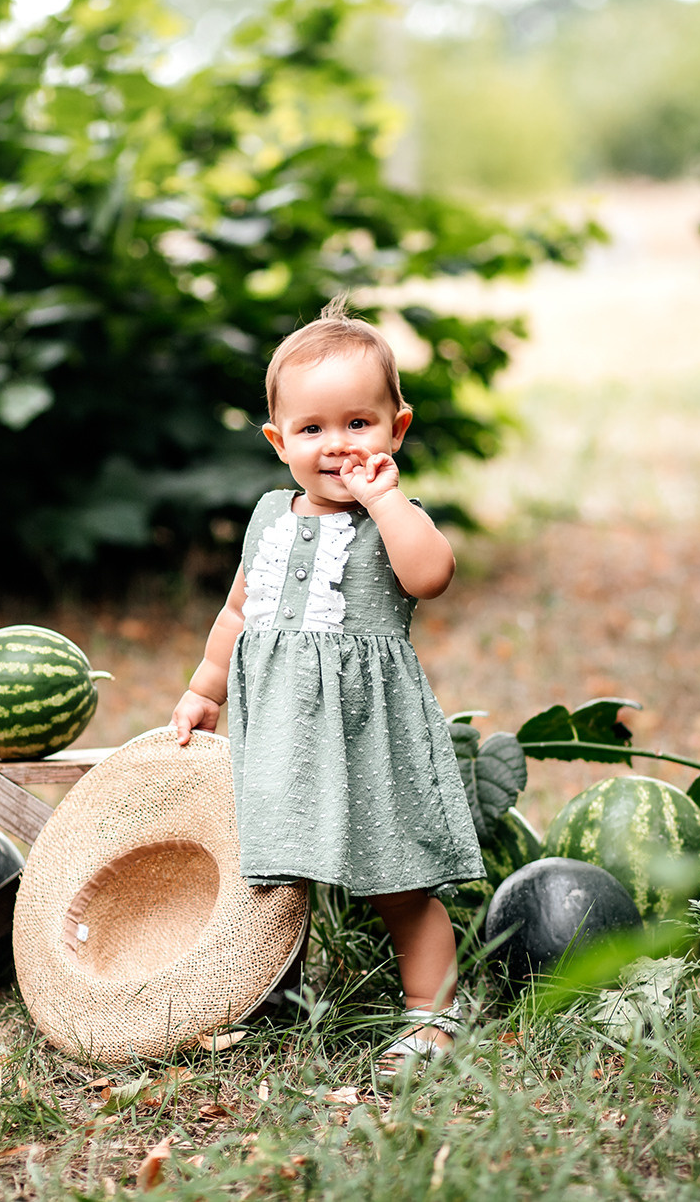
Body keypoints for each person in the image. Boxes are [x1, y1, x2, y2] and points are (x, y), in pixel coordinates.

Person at [171, 293, 483, 1073]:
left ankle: (431, 1012)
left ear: (395, 428)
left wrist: (387, 499)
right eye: (313, 429)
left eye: (358, 423)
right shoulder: (268, 517)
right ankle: (262, 995)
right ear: (280, 441)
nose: (337, 445)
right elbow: (238, 610)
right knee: (271, 871)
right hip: (281, 732)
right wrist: (206, 689)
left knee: (397, 877)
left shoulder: (394, 515)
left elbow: (431, 574)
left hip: (367, 731)